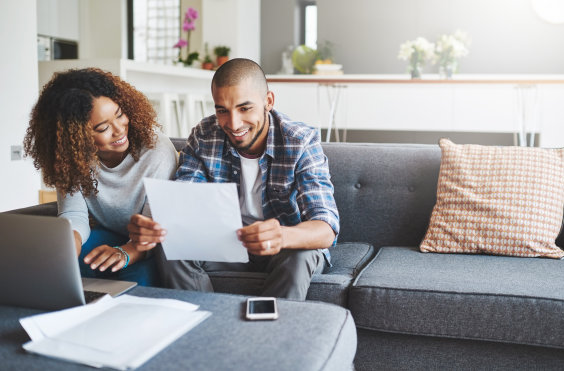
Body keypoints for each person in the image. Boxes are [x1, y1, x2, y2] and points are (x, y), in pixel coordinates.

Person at [128, 58, 339, 300]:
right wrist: (154, 225)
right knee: (169, 246)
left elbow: (326, 227)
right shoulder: (205, 136)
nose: (233, 123)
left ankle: (269, 336)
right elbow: (185, 199)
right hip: (228, 244)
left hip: (285, 246)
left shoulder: (300, 141)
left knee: (301, 255)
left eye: (245, 108)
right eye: (222, 110)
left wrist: (281, 236)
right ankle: (204, 326)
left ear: (268, 101)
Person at [23, 68, 178, 286]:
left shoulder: (156, 151)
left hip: (146, 247)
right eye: (103, 128)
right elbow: (74, 214)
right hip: (105, 236)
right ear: (75, 136)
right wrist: (70, 243)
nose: (119, 130)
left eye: (120, 115)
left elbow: (153, 229)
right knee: (53, 273)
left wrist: (125, 253)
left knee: (138, 286)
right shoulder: (71, 157)